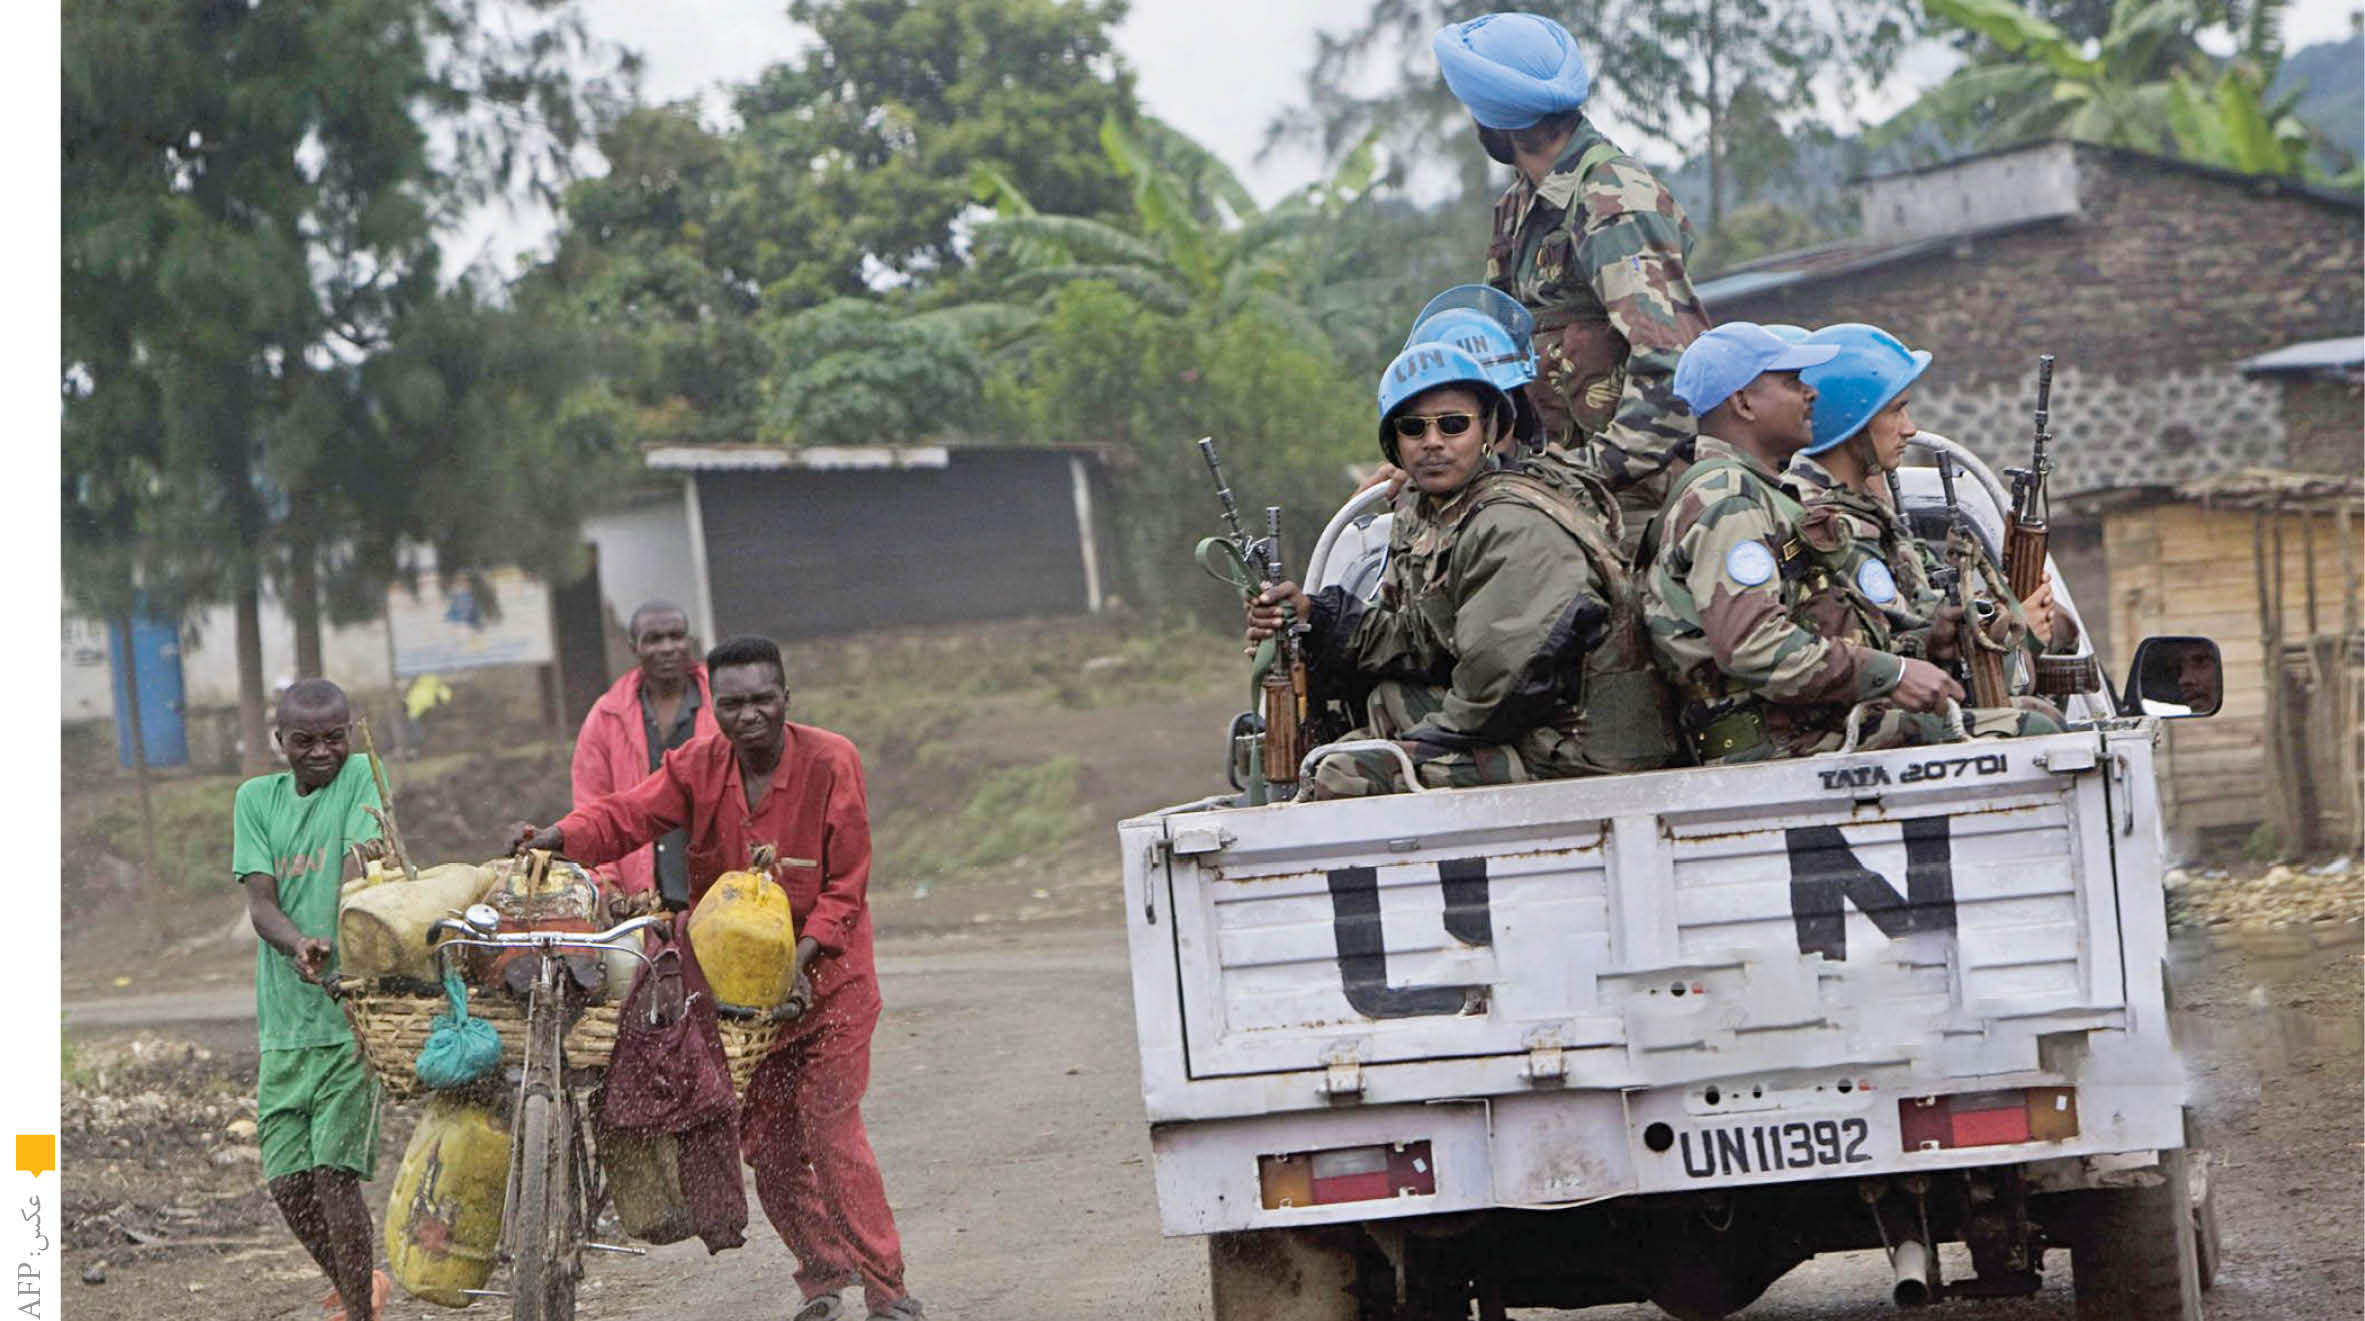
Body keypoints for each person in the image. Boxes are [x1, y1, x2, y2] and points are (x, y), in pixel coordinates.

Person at [507, 636, 920, 1321]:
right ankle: (821, 1273)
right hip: (739, 997)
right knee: (767, 1141)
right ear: (716, 708)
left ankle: (889, 1291)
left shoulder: (831, 760)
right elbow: (626, 814)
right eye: (732, 703)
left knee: (828, 1127)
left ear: (787, 699)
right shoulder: (697, 766)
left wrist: (803, 957)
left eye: (762, 699)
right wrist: (556, 835)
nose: (748, 715)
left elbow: (847, 884)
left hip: (831, 981)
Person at [1247, 341, 1671, 798]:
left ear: (1489, 428)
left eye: (1453, 425)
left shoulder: (1511, 525)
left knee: (1343, 772)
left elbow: (1501, 687)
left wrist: (1401, 746)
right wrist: (1316, 616)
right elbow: (1423, 636)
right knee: (1377, 706)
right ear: (1394, 443)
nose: (1433, 442)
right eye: (1413, 428)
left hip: (1582, 755)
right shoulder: (1441, 512)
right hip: (1533, 724)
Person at [1640, 323, 2064, 763]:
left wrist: (1924, 644)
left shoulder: (1755, 494)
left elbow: (1812, 630)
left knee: (2025, 719)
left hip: (1804, 730)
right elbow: (1753, 645)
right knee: (2030, 730)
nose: (1812, 394)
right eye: (1792, 383)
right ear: (1743, 403)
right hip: (1777, 749)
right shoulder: (1727, 497)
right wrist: (1894, 673)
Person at [1435, 11, 1713, 556]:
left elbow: (1675, 367)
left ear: (1496, 120)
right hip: (1559, 494)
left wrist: (1582, 475)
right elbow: (1495, 356)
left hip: (1634, 504)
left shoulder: (1610, 198)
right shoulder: (1519, 207)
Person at [233, 678, 390, 1321]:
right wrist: (300, 943)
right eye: (305, 740)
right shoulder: (255, 800)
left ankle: (359, 1309)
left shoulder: (360, 776)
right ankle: (362, 1285)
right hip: (284, 1022)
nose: (321, 751)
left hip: (350, 1013)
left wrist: (350, 907)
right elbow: (261, 903)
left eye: (334, 737)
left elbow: (364, 859)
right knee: (288, 1182)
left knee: (334, 1175)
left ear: (349, 735)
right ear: (281, 743)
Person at [571, 601, 717, 909]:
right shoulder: (607, 716)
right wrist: (607, 889)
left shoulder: (722, 706)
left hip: (719, 892)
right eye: (653, 639)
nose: (667, 648)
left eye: (676, 636)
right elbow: (592, 805)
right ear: (633, 646)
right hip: (640, 902)